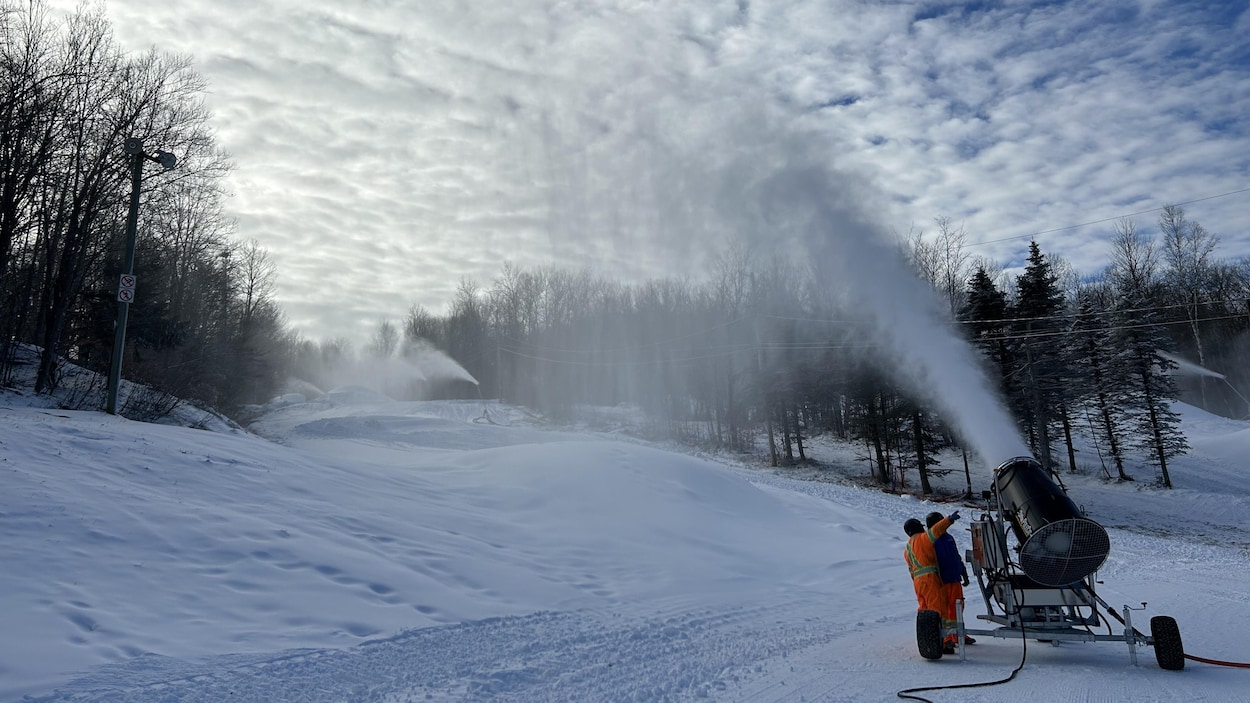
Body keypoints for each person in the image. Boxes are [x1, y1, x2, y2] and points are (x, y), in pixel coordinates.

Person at [904, 511, 961, 653]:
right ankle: (941, 643)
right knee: (937, 609)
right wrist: (949, 519)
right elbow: (937, 529)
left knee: (925, 609)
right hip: (930, 579)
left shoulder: (907, 548)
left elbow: (911, 570)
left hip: (918, 582)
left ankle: (928, 639)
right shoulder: (924, 538)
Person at [926, 511, 975, 645]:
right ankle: (946, 637)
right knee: (944, 610)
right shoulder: (930, 540)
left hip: (954, 578)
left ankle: (959, 634)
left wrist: (963, 571)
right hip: (942, 580)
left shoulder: (948, 537)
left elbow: (955, 555)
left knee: (958, 607)